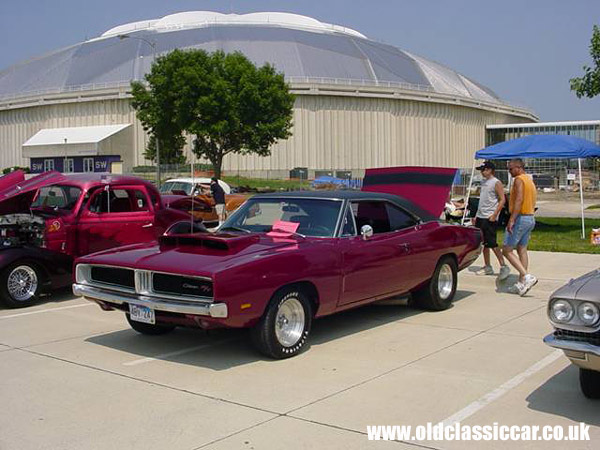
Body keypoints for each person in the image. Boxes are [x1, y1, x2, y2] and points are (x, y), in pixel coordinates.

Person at [502, 158, 537, 296]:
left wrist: (512, 219)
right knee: (522, 249)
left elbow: (519, 199)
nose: (509, 172)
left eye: (510, 169)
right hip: (530, 217)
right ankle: (522, 282)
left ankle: (527, 276)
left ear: (518, 167)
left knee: (507, 250)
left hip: (521, 218)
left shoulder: (519, 180)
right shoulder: (529, 180)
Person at [474, 161, 510, 279]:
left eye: (483, 170)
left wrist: (495, 214)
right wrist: (476, 215)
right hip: (481, 216)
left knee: (492, 243)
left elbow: (502, 200)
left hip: (490, 217)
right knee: (484, 243)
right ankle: (487, 266)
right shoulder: (484, 182)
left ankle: (503, 266)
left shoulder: (496, 182)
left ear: (490, 170)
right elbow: (482, 200)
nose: (482, 172)